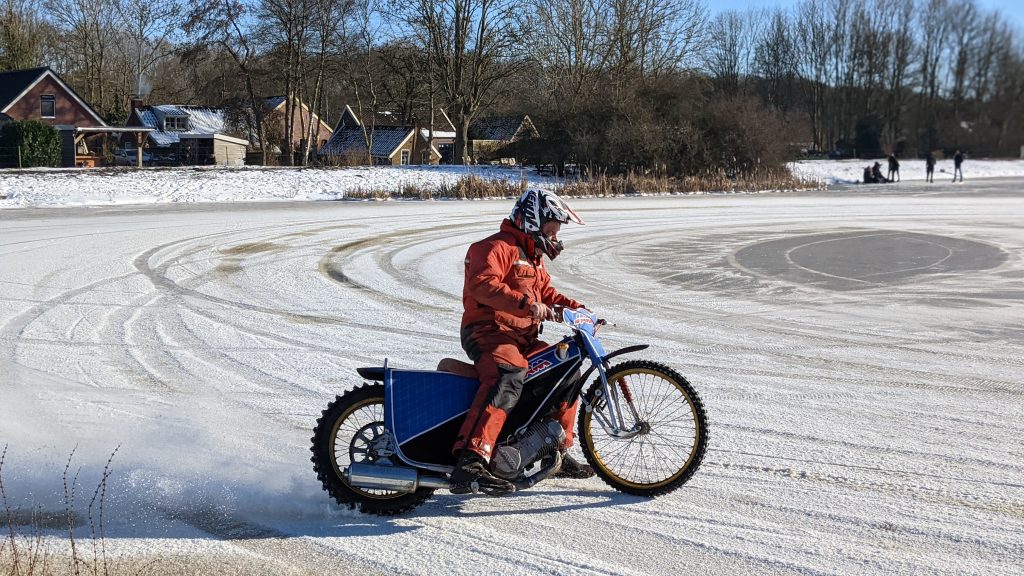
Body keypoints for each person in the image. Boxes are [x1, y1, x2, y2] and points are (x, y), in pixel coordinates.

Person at [450, 188, 596, 495]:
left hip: (523, 337)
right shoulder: (494, 247)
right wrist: (526, 306)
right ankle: (471, 460)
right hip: (488, 331)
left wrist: (578, 310)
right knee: (508, 373)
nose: (555, 237)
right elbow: (481, 285)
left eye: (557, 232)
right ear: (533, 221)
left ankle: (553, 448)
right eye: (552, 229)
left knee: (565, 367)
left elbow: (547, 295)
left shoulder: (533, 258)